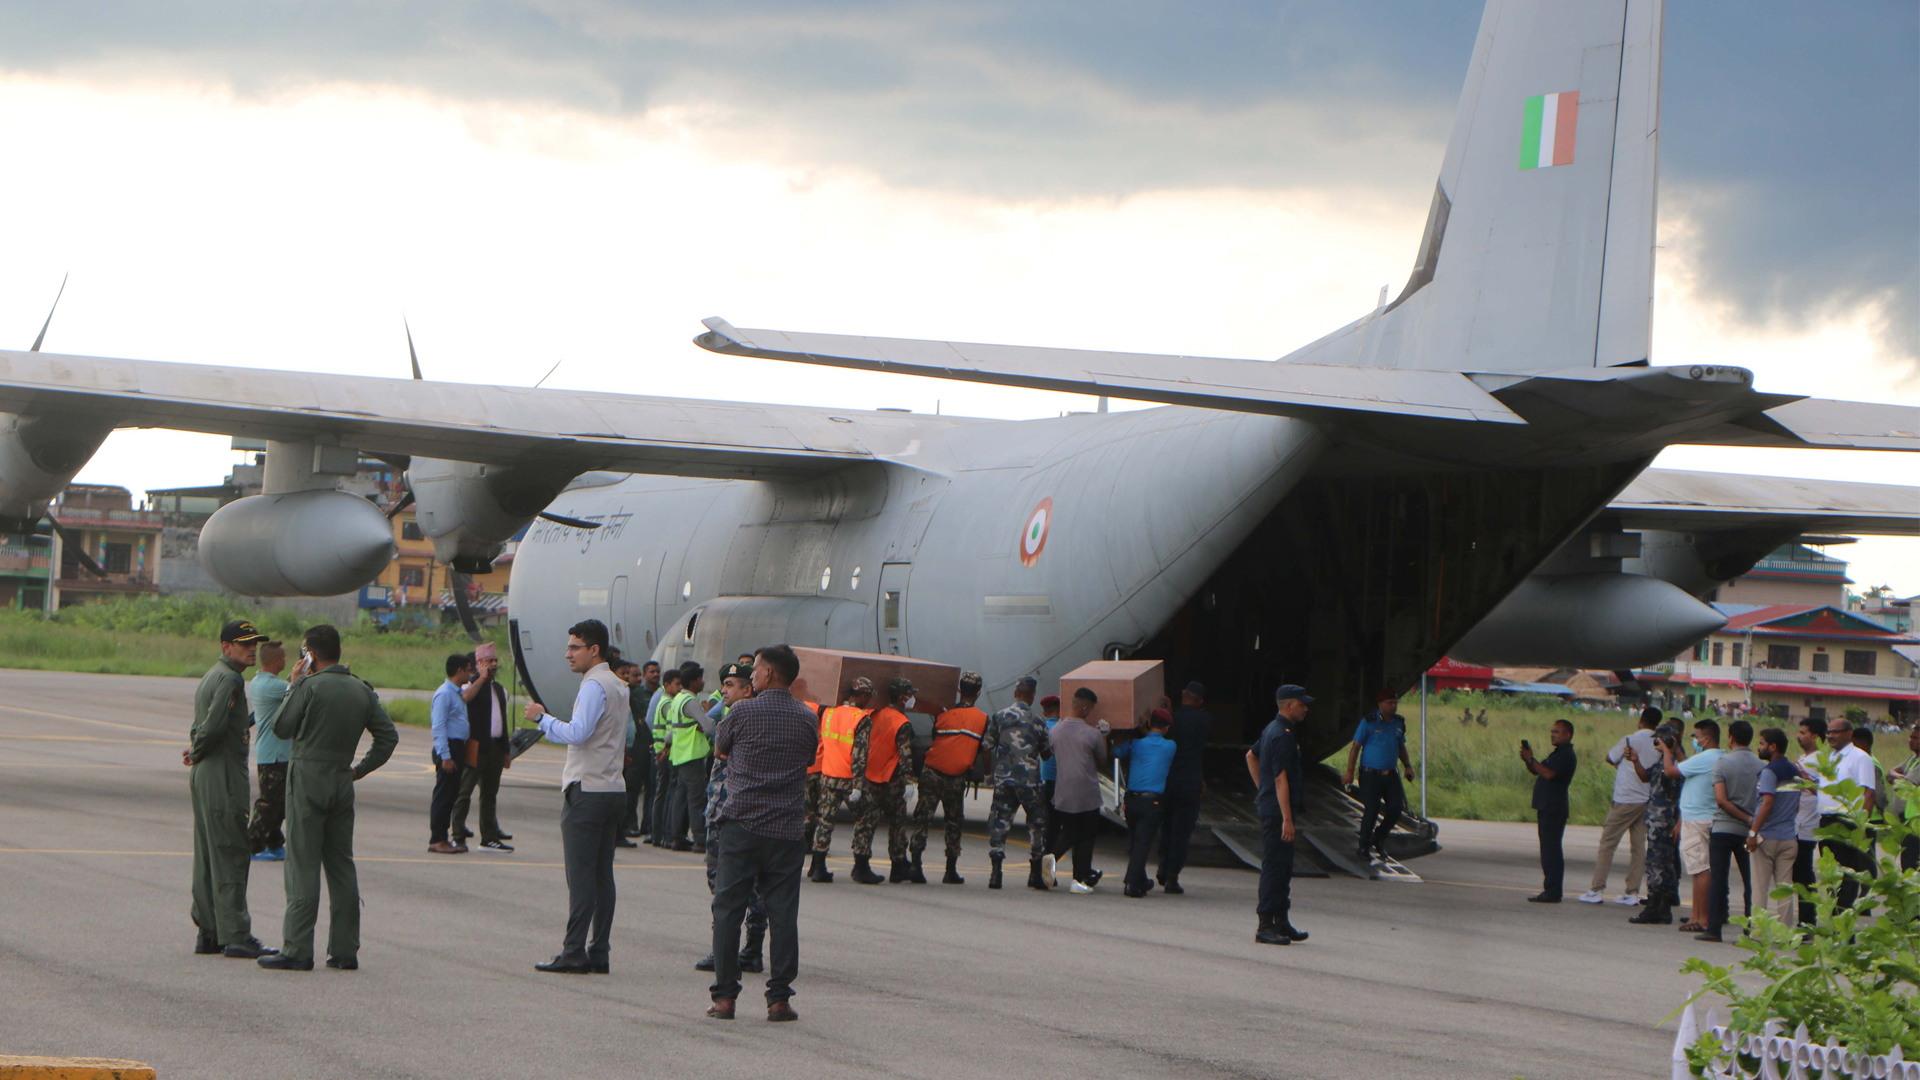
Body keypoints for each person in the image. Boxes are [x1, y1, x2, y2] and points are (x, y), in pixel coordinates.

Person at [256, 625, 398, 971]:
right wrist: (359, 770)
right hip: (340, 777)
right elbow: (387, 737)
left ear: (311, 655)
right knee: (340, 864)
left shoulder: (309, 686)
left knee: (303, 863)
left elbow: (282, 727)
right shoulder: (360, 689)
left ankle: (298, 948)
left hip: (307, 778)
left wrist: (294, 685)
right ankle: (345, 949)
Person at [707, 644, 818, 1023]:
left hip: (742, 825)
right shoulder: (807, 718)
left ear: (768, 673)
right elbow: (807, 760)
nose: (750, 675)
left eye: (754, 670)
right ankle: (779, 999)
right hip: (786, 829)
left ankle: (725, 998)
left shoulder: (741, 711)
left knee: (728, 911)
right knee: (784, 914)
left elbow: (720, 750)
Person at [186, 619, 278, 959]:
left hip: (209, 770)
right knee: (230, 852)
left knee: (209, 854)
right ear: (227, 647)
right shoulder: (230, 679)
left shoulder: (216, 674)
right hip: (221, 773)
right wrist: (197, 749)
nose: (252, 649)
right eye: (244, 643)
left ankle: (209, 931)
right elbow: (211, 727)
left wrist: (196, 748)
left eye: (254, 643)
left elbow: (217, 723)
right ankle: (236, 934)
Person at [697, 663, 766, 975]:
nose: (723, 690)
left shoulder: (747, 722)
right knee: (734, 885)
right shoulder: (733, 716)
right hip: (722, 812)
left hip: (734, 816)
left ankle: (737, 949)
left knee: (731, 886)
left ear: (747, 689)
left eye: (730, 684)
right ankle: (741, 948)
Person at [911, 671, 989, 885]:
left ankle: (916, 866)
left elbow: (936, 738)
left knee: (922, 818)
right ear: (979, 693)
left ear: (959, 691)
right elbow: (983, 748)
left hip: (932, 772)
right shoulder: (982, 720)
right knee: (954, 822)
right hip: (955, 777)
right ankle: (950, 870)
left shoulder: (943, 715)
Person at [1248, 685, 1310, 945]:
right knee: (1274, 867)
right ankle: (1265, 925)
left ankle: (1282, 921)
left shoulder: (1273, 729)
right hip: (1278, 813)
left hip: (1274, 806)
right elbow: (1281, 778)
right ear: (1289, 705)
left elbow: (1251, 756)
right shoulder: (1282, 735)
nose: (1306, 708)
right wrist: (1286, 817)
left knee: (1284, 866)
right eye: (1302, 704)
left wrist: (1263, 790)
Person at [1580, 707, 1660, 905]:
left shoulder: (1630, 740)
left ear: (1641, 719)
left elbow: (1610, 757)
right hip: (1646, 799)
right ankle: (1632, 892)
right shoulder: (1658, 743)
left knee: (1607, 844)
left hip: (1626, 799)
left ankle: (1597, 888)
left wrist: (1621, 766)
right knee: (1638, 847)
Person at [983, 675, 1051, 890]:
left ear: (1015, 694)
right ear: (1033, 695)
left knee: (1000, 823)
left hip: (1004, 780)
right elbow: (1047, 754)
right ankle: (1035, 874)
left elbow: (986, 747)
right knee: (1038, 824)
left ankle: (996, 873)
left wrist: (988, 774)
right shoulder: (1038, 720)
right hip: (1030, 782)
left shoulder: (999, 717)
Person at [807, 676, 874, 883]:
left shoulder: (829, 712)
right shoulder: (861, 718)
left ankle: (818, 868)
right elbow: (859, 754)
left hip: (828, 775)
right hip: (848, 778)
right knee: (866, 817)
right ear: (863, 696)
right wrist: (858, 784)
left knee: (824, 820)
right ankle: (861, 867)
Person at [1043, 687, 1110, 894]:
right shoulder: (1092, 734)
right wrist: (1105, 735)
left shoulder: (1055, 732)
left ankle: (1052, 856)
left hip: (1063, 790)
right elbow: (1103, 760)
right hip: (1086, 792)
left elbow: (1051, 754)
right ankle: (1079, 880)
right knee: (1086, 837)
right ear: (1084, 708)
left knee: (1070, 831)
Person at [850, 677, 916, 885]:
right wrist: (909, 781)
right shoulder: (902, 722)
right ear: (903, 697)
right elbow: (905, 755)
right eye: (910, 695)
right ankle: (898, 865)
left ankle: (860, 865)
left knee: (865, 823)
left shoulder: (872, 713)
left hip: (868, 776)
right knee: (897, 823)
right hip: (890, 780)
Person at [1700, 719, 1760, 943]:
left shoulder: (1722, 764)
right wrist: (1751, 820)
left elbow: (1721, 800)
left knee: (1719, 879)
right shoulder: (1761, 766)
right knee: (1750, 881)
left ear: (1731, 738)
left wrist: (1743, 816)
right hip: (1749, 831)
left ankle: (1714, 928)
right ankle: (1749, 928)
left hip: (1724, 827)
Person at [452, 643, 514, 853]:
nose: (493, 664)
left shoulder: (499, 690)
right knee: (465, 790)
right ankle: (458, 834)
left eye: (495, 661)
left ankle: (489, 837)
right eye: (489, 661)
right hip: (474, 745)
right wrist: (481, 679)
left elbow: (503, 722)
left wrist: (506, 750)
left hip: (495, 746)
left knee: (490, 793)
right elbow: (466, 698)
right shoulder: (470, 685)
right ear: (478, 664)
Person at [1666, 719, 1724, 931]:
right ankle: (1695, 915)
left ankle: (1702, 918)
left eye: (1697, 736)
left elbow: (1671, 771)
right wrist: (1676, 752)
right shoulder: (1717, 757)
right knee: (1699, 868)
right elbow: (1688, 766)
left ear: (1706, 738)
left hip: (1697, 821)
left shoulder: (1706, 757)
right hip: (1704, 818)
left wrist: (1665, 751)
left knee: (1700, 870)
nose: (1695, 740)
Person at [1342, 689, 1413, 863]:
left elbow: (1401, 747)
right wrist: (1350, 771)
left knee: (1396, 809)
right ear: (1380, 704)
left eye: (1395, 703)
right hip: (1370, 775)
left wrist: (1408, 766)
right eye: (1390, 703)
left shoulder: (1398, 723)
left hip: (1391, 775)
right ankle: (1364, 846)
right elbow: (1355, 748)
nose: (1394, 706)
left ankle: (1379, 838)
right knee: (1372, 810)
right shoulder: (1369, 722)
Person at [1816, 716, 1878, 912]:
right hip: (1827, 822)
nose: (1830, 736)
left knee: (1848, 875)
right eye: (1829, 732)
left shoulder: (1860, 757)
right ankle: (1836, 919)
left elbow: (1869, 793)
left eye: (1836, 732)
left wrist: (1861, 825)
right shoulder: (1831, 758)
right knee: (1832, 876)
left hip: (1848, 823)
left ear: (1849, 734)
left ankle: (1844, 924)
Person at [1156, 681, 1212, 894]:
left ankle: (1162, 864)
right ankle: (1172, 877)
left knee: (1167, 826)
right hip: (1191, 782)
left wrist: (1169, 711)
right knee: (1182, 831)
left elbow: (1171, 729)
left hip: (1168, 780)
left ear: (1182, 694)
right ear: (1201, 701)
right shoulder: (1205, 719)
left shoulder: (1171, 720)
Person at [1115, 708, 1177, 897]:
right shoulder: (1171, 746)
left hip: (1131, 800)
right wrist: (1147, 728)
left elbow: (1116, 752)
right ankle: (1131, 884)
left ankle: (1141, 881)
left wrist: (1141, 728)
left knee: (1135, 842)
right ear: (1166, 728)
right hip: (1152, 803)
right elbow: (1155, 740)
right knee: (1142, 844)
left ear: (1150, 724)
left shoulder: (1134, 744)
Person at [1628, 719, 1684, 925]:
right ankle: (1663, 906)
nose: (1657, 745)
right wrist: (1635, 760)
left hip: (1665, 820)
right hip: (1656, 818)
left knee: (1657, 863)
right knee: (1664, 862)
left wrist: (1671, 750)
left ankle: (1656, 905)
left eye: (1660, 741)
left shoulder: (1678, 763)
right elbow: (1647, 777)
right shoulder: (1661, 761)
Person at [1745, 727, 1802, 928]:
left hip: (1767, 836)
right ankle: (1785, 934)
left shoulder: (1769, 772)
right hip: (1788, 836)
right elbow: (1796, 804)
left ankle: (1758, 933)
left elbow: (1767, 802)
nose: (1759, 747)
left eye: (1762, 743)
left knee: (1760, 888)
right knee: (1785, 889)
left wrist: (1753, 832)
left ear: (1773, 746)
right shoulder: (1796, 771)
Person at [1518, 719, 1577, 903]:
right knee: (1547, 849)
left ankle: (1552, 890)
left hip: (1554, 808)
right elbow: (1538, 771)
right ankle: (1550, 888)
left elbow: (1549, 774)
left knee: (1551, 850)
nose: (1552, 734)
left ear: (1567, 735)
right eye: (1552, 731)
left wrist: (1531, 759)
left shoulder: (1566, 755)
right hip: (1547, 807)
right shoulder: (1556, 754)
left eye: (1557, 732)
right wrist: (1529, 761)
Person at [247, 641, 291, 862]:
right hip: (275, 754)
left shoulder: (258, 681)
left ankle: (274, 843)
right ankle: (251, 845)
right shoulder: (273, 686)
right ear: (275, 661)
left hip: (274, 752)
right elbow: (302, 692)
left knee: (279, 802)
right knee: (270, 803)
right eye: (283, 658)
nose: (286, 661)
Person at [427, 654, 475, 855]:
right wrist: (445, 756)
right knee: (444, 795)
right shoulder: (445, 694)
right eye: (468, 669)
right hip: (449, 748)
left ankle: (443, 837)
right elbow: (438, 727)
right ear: (459, 671)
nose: (470, 673)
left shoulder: (457, 693)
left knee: (452, 794)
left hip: (458, 747)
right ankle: (437, 839)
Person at [665, 663, 712, 853]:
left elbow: (671, 732)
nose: (703, 682)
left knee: (681, 798)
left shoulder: (678, 699)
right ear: (693, 682)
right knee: (696, 799)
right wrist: (708, 719)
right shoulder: (691, 701)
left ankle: (677, 837)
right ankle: (700, 839)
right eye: (700, 679)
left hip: (680, 754)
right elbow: (708, 727)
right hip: (692, 754)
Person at [622, 660, 661, 841]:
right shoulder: (635, 694)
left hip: (651, 745)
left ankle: (648, 824)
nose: (655, 674)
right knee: (633, 786)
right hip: (637, 746)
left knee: (651, 787)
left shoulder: (661, 692)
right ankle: (630, 823)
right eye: (635, 675)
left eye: (657, 671)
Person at [1792, 718, 1824, 925]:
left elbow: (1821, 789)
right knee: (1798, 874)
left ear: (1815, 737)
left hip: (1808, 823)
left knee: (1804, 874)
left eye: (1803, 732)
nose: (1799, 735)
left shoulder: (1820, 759)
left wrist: (1801, 776)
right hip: (1796, 821)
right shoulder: (1803, 757)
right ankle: (1804, 918)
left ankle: (1808, 920)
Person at [647, 666, 682, 846]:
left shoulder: (663, 700)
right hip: (664, 754)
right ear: (667, 685)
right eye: (677, 684)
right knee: (664, 793)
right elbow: (674, 727)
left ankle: (657, 834)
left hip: (661, 751)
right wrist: (665, 746)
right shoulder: (668, 703)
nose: (680, 687)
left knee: (661, 793)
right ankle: (660, 834)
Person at [1038, 693, 1064, 855]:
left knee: (1040, 826)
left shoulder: (1041, 729)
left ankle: (1037, 865)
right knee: (1054, 829)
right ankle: (1048, 864)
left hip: (1042, 784)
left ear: (1045, 713)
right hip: (1060, 785)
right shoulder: (1065, 729)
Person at [1891, 726, 1920, 872]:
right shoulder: (1912, 759)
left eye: (1915, 738)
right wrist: (1899, 778)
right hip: (1907, 820)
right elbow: (1891, 773)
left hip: (1915, 822)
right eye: (1911, 737)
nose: (1911, 741)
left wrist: (1898, 780)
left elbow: (1907, 785)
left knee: (1911, 864)